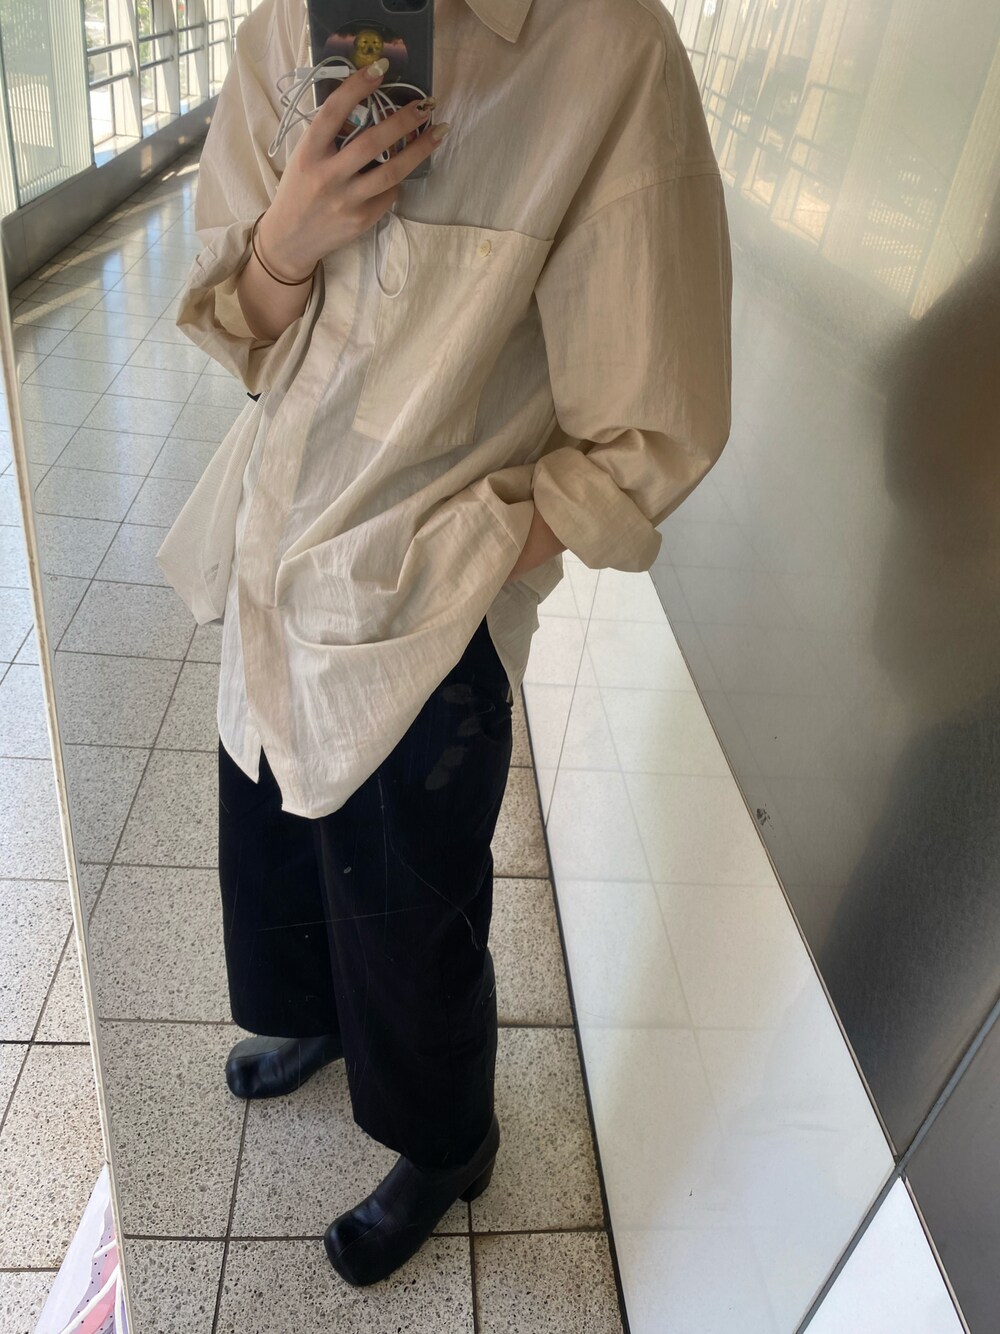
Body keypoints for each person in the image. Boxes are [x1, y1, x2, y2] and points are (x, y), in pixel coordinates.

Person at [156, 0, 732, 1289]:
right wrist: (286, 243)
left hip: (428, 609)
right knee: (275, 824)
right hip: (276, 548)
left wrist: (460, 560)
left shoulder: (608, 54)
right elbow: (238, 333)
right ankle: (317, 1015)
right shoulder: (284, 30)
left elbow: (656, 426)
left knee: (411, 904)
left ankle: (447, 1140)